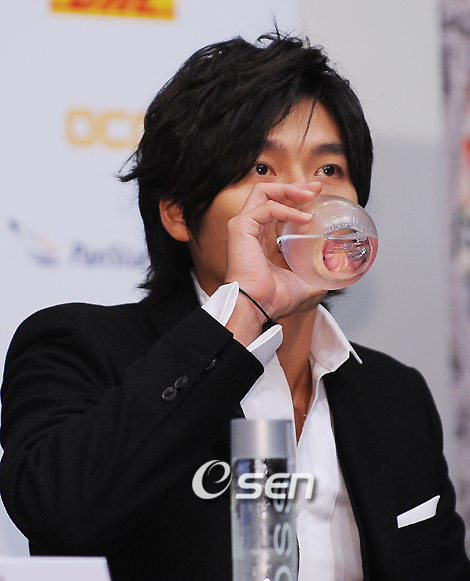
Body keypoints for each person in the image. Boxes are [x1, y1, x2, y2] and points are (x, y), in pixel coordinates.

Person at [1, 31, 469, 581]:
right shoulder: (80, 348)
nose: (303, 202)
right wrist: (243, 311)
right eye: (261, 170)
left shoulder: (395, 395)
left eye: (328, 171)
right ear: (178, 213)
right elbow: (60, 516)